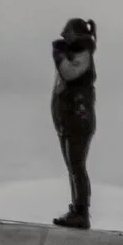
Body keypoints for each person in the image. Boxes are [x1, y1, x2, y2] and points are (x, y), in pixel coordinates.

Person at [51, 14, 97, 228]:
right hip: (68, 122)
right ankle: (77, 209)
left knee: (77, 166)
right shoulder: (76, 54)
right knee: (74, 166)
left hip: (77, 122)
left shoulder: (82, 54)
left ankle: (81, 211)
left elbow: (69, 73)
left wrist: (59, 55)